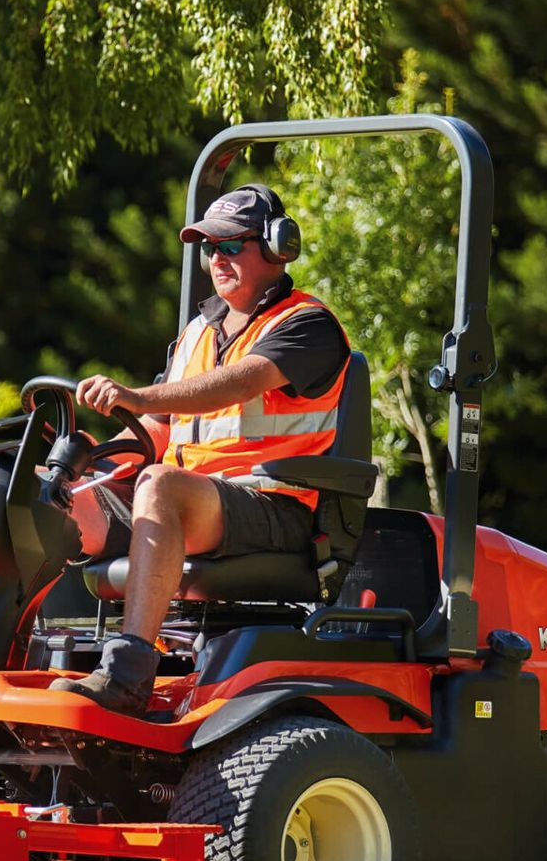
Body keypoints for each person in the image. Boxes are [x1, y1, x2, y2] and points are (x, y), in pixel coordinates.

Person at [51, 183, 352, 713]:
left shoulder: (308, 325)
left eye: (231, 246)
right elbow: (154, 431)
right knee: (48, 493)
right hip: (189, 503)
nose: (217, 259)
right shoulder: (196, 333)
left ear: (279, 247)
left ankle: (126, 677)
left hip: (276, 509)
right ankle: (6, 656)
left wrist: (134, 393)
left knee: (160, 484)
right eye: (209, 248)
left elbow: (239, 383)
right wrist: (81, 471)